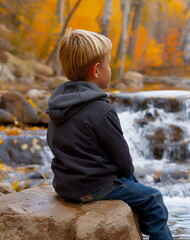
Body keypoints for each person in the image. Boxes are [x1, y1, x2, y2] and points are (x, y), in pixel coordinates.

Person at [46, 29, 173, 240]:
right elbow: (122, 159)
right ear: (97, 70)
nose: (111, 69)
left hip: (65, 185)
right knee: (153, 198)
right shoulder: (101, 109)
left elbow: (54, 142)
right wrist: (127, 174)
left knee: (134, 185)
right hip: (94, 187)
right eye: (109, 64)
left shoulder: (57, 104)